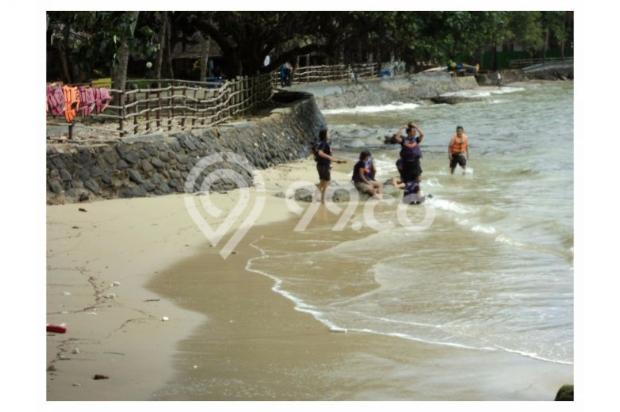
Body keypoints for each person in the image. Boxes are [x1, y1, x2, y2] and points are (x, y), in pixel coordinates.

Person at [313, 128, 346, 203]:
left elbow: (315, 152)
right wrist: (330, 158)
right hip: (324, 165)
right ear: (325, 135)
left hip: (320, 165)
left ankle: (319, 198)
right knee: (327, 181)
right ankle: (321, 198)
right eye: (328, 133)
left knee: (322, 181)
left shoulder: (319, 143)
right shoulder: (324, 143)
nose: (329, 134)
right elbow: (320, 153)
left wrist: (336, 161)